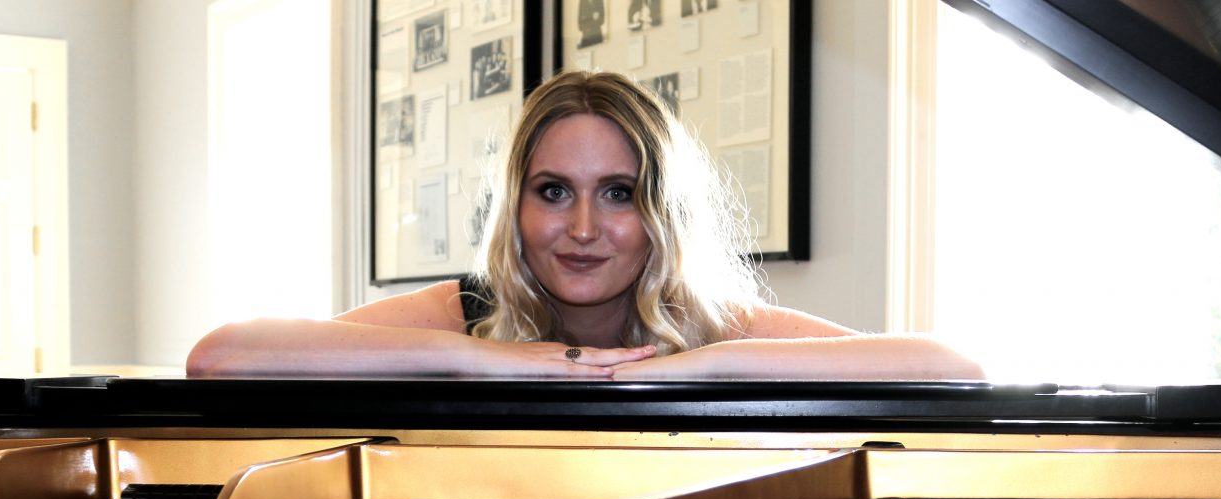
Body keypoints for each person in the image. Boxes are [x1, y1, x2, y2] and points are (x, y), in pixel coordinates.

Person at [186, 71, 982, 381]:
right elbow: (221, 358)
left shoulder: (709, 322)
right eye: (554, 191)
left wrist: (693, 370)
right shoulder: (467, 312)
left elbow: (951, 367)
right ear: (517, 206)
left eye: (619, 194)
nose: (582, 228)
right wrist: (481, 359)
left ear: (661, 213)